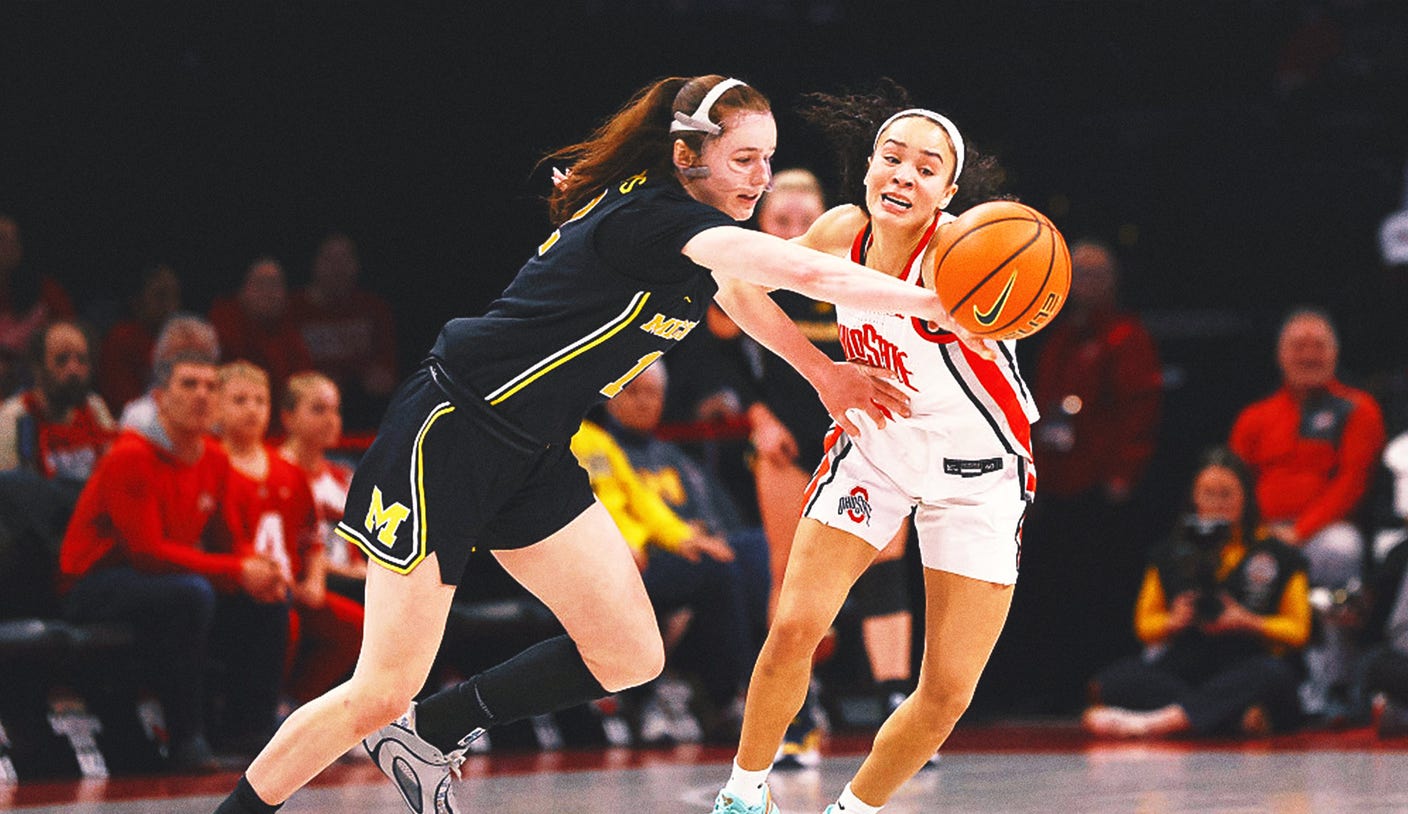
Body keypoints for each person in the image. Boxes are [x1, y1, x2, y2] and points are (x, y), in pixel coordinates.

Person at [211, 74, 983, 814]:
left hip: (532, 453)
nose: (761, 177)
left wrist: (822, 373)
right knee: (380, 688)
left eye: (769, 159)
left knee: (629, 652)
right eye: (745, 159)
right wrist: (936, 302)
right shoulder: (658, 219)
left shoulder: (697, 235)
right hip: (451, 433)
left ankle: (431, 733)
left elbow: (742, 295)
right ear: (687, 156)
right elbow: (801, 272)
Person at [713, 92, 1034, 814]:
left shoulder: (963, 255)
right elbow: (734, 287)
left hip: (979, 476)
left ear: (947, 193)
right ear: (867, 169)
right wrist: (823, 373)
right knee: (796, 624)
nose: (904, 175)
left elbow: (1009, 308)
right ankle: (742, 796)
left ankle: (850, 811)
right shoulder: (841, 229)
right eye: (892, 158)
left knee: (947, 692)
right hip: (878, 449)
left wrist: (997, 322)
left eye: (926, 168)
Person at [58, 352, 289, 771]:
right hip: (93, 584)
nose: (202, 395)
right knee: (192, 594)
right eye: (189, 384)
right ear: (160, 398)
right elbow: (145, 553)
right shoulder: (130, 454)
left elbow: (225, 542)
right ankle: (187, 740)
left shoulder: (214, 458)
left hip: (159, 580)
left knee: (268, 596)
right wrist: (237, 570)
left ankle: (248, 729)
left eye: (211, 386)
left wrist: (258, 569)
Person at [1006, 238, 1163, 712]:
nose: (1088, 284)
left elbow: (1140, 410)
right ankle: (1056, 688)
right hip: (1058, 484)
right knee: (1057, 588)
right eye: (1080, 275)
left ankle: (1104, 685)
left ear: (1113, 281)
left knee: (1102, 588)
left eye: (1097, 274)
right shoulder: (1056, 336)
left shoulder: (1126, 336)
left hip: (1102, 487)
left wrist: (1124, 473)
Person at [1082, 448, 1311, 739]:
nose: (1217, 504)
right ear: (1194, 497)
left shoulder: (1280, 554)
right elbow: (1144, 626)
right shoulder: (1169, 552)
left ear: (1246, 497)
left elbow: (1299, 630)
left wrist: (1248, 621)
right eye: (1208, 494)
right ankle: (1231, 718)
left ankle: (1156, 723)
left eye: (1226, 495)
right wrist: (1173, 621)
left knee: (1273, 675)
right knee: (1112, 682)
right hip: (1189, 663)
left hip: (1248, 658)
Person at [1229, 307, 1385, 720]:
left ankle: (1334, 687)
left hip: (1322, 533)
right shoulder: (1255, 417)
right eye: (1299, 346)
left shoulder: (1357, 408)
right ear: (1280, 355)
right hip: (1262, 535)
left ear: (1335, 353)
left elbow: (1353, 483)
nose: (1309, 355)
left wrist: (1300, 532)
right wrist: (1256, 534)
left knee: (1340, 549)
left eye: (1318, 346)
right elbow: (1234, 483)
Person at [571, 413, 746, 743]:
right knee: (636, 588)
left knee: (716, 568)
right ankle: (640, 699)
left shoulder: (595, 439)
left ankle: (724, 699)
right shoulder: (538, 441)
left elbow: (641, 499)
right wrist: (612, 543)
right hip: (576, 558)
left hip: (630, 556)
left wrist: (685, 538)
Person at [217, 361, 363, 706]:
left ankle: (299, 706)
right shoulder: (211, 465)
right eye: (240, 401)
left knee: (355, 625)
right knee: (286, 623)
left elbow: (312, 537)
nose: (252, 410)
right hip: (240, 587)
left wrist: (314, 580)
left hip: (293, 586)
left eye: (260, 401)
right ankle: (261, 710)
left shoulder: (287, 471)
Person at [287, 233, 398, 430]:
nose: (338, 268)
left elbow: (386, 375)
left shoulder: (373, 308)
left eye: (345, 259)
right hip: (309, 409)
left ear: (356, 265)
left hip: (365, 411)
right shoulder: (293, 309)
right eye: (330, 259)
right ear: (315, 263)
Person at [277, 371, 365, 602]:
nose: (331, 420)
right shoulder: (273, 472)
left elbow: (355, 550)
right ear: (288, 417)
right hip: (303, 585)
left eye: (336, 410)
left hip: (349, 583)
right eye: (318, 410)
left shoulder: (343, 476)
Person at [0, 320, 115, 480]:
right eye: (62, 360)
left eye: (82, 360)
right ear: (38, 368)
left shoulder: (95, 407)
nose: (73, 370)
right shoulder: (12, 419)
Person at [208, 257, 314, 405]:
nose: (269, 292)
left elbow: (303, 385)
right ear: (243, 290)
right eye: (261, 284)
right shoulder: (222, 324)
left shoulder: (292, 327)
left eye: (275, 285)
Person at [0, 213, 75, 395]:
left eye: (14, 239)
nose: (8, 246)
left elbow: (70, 341)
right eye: (2, 238)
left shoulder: (47, 292)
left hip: (36, 386)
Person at [99, 263, 183, 415]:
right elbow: (124, 404)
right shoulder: (120, 340)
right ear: (137, 300)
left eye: (174, 296)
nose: (170, 305)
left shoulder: (182, 340)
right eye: (160, 296)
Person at [119, 313, 222, 433]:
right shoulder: (140, 417)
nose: (201, 394)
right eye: (180, 356)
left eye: (200, 356)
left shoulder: (227, 414)